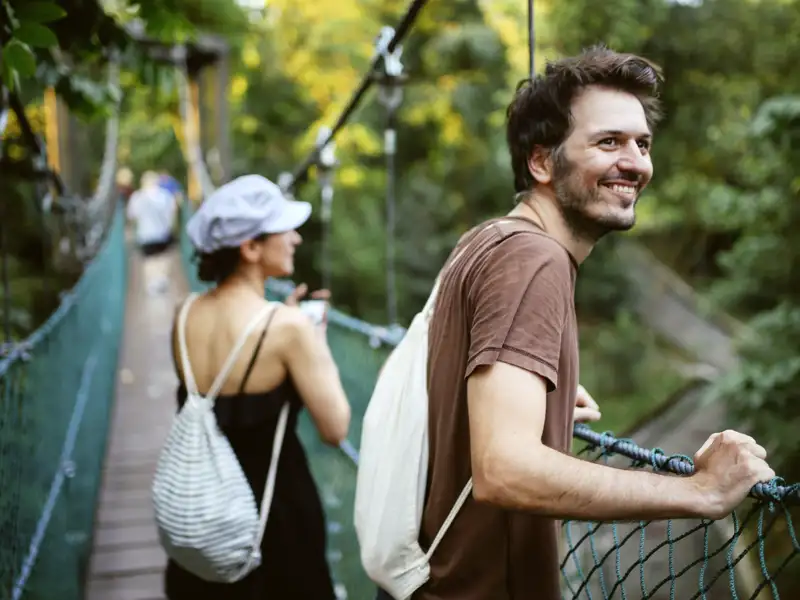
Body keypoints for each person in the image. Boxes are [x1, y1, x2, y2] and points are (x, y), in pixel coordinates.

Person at [402, 45, 775, 600]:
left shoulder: (484, 241)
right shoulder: (535, 259)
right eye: (608, 142)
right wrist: (698, 491)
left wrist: (534, 394)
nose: (636, 163)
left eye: (642, 143)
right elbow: (504, 469)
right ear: (542, 162)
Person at [165, 174, 351, 600]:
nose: (297, 238)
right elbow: (335, 427)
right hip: (275, 520)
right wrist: (312, 344)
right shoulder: (289, 329)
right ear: (250, 247)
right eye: (285, 228)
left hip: (204, 516)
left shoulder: (183, 314)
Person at [126, 170, 178, 295]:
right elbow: (172, 211)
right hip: (162, 232)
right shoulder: (165, 195)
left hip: (145, 234)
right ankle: (162, 279)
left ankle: (151, 283)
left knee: (149, 260)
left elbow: (131, 215)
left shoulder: (137, 196)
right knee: (162, 257)